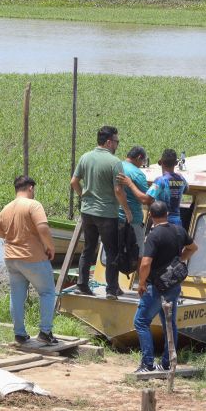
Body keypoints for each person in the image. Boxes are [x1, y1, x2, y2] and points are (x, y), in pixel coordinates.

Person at [134, 201, 198, 373]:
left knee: (140, 322)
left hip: (156, 286)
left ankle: (147, 364)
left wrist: (141, 283)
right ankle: (167, 362)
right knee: (169, 324)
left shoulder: (154, 235)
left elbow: (146, 263)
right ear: (167, 214)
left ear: (151, 216)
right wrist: (178, 261)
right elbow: (193, 248)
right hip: (173, 285)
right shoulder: (179, 230)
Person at [70, 126, 132, 300]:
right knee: (111, 250)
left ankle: (82, 285)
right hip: (106, 213)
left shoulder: (85, 157)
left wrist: (84, 196)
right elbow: (119, 191)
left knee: (88, 248)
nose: (117, 145)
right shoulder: (114, 162)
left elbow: (74, 181)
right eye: (117, 142)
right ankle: (112, 290)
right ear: (109, 142)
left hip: (87, 212)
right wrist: (127, 211)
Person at [0, 175, 58, 346]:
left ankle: (19, 334)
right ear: (30, 188)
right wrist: (50, 247)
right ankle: (45, 332)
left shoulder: (6, 209)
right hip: (33, 257)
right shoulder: (33, 205)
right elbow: (43, 227)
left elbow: (0, 233)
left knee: (16, 295)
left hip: (11, 258)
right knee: (47, 292)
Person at [118, 146, 150, 255]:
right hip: (133, 220)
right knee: (137, 254)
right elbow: (146, 199)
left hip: (114, 217)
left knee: (114, 253)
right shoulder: (137, 174)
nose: (142, 164)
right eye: (143, 161)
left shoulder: (116, 167)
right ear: (139, 157)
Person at [146, 149, 189, 227]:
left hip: (162, 221)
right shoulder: (182, 179)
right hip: (177, 222)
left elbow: (148, 199)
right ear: (176, 163)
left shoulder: (160, 181)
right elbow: (186, 189)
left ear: (160, 162)